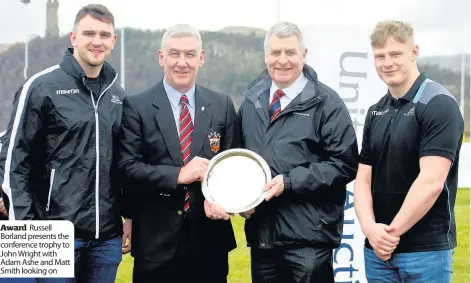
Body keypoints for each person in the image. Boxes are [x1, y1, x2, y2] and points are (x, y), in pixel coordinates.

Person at [0, 4, 129, 282]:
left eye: (105, 35)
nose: (97, 41)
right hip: (52, 234)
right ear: (74, 38)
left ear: (113, 41)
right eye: (89, 33)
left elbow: (123, 164)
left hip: (106, 238)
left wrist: (127, 216)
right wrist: (25, 233)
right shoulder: (41, 87)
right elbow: (14, 162)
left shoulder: (118, 95)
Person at [237, 22, 359, 283]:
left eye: (290, 53)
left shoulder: (327, 103)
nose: (283, 60)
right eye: (275, 52)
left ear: (304, 55)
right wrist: (241, 202)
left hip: (309, 241)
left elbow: (344, 164)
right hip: (263, 237)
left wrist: (289, 182)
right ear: (265, 55)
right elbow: (239, 160)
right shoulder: (251, 102)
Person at [117, 24, 239, 283]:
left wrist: (224, 201)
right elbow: (127, 168)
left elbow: (232, 167)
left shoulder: (222, 105)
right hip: (155, 244)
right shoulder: (137, 106)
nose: (182, 62)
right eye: (174, 54)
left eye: (190, 54)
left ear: (201, 58)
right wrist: (179, 174)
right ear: (161, 58)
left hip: (210, 243)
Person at [354, 20, 464, 282]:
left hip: (425, 251)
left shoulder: (439, 105)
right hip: (378, 252)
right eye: (380, 56)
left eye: (395, 54)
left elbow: (431, 182)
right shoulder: (376, 111)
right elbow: (363, 179)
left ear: (414, 52)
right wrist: (370, 229)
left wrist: (390, 233)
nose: (387, 62)